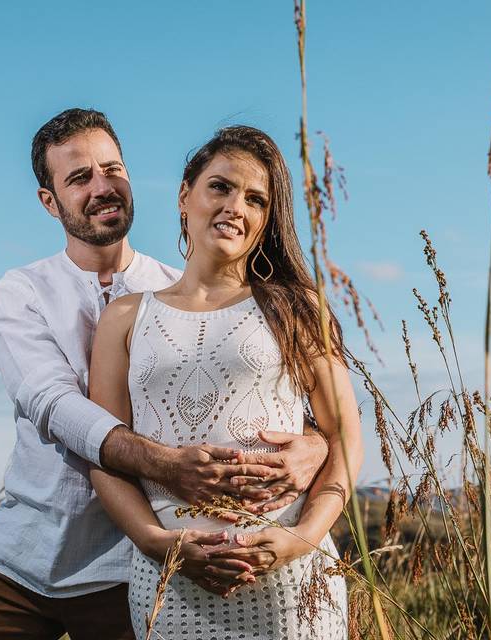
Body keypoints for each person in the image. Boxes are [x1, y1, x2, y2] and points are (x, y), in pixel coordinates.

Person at [0, 109, 329, 640]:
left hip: (135, 565)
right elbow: (53, 404)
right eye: (78, 178)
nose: (102, 187)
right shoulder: (21, 292)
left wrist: (315, 445)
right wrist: (164, 462)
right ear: (50, 202)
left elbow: (268, 403)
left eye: (112, 169)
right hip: (24, 562)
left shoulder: (175, 294)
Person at [88, 125, 363, 639]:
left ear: (265, 220)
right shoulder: (124, 317)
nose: (236, 206)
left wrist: (301, 539)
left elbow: (346, 437)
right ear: (184, 195)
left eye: (256, 199)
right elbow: (104, 454)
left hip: (288, 578)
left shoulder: (297, 308)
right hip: (169, 579)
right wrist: (155, 543)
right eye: (221, 187)